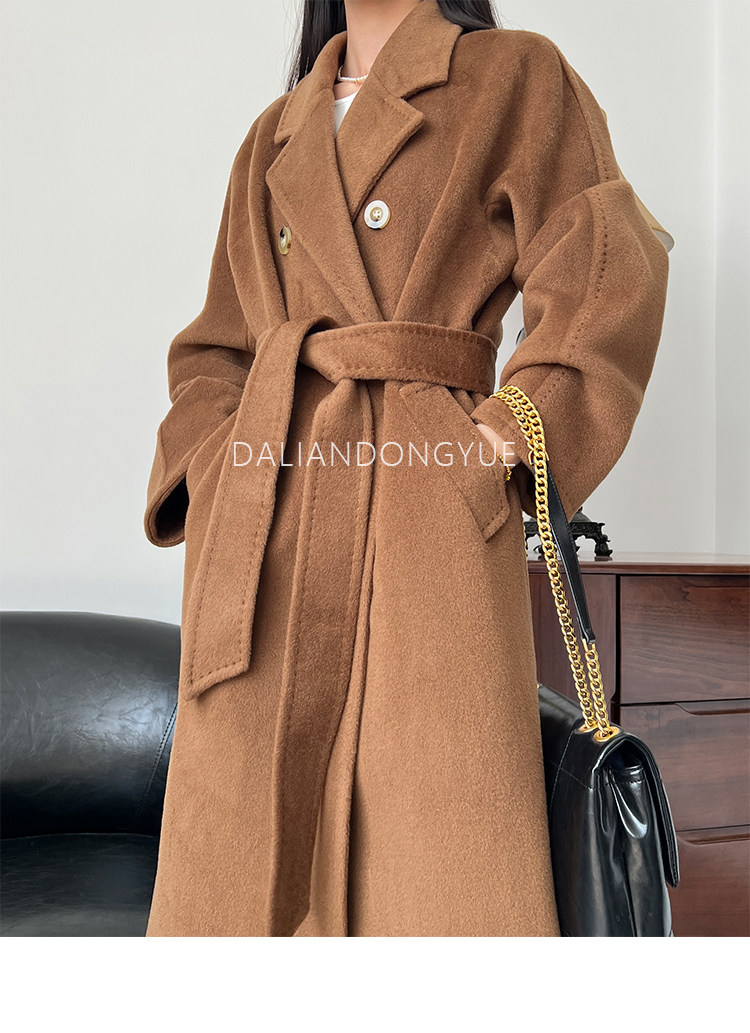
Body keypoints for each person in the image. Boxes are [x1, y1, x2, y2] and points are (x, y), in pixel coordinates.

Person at [143, 0, 670, 937]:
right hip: (270, 524)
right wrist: (217, 471)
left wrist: (503, 440)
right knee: (247, 874)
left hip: (426, 519)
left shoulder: (514, 75)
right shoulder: (274, 133)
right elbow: (216, 346)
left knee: (438, 859)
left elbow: (606, 267)